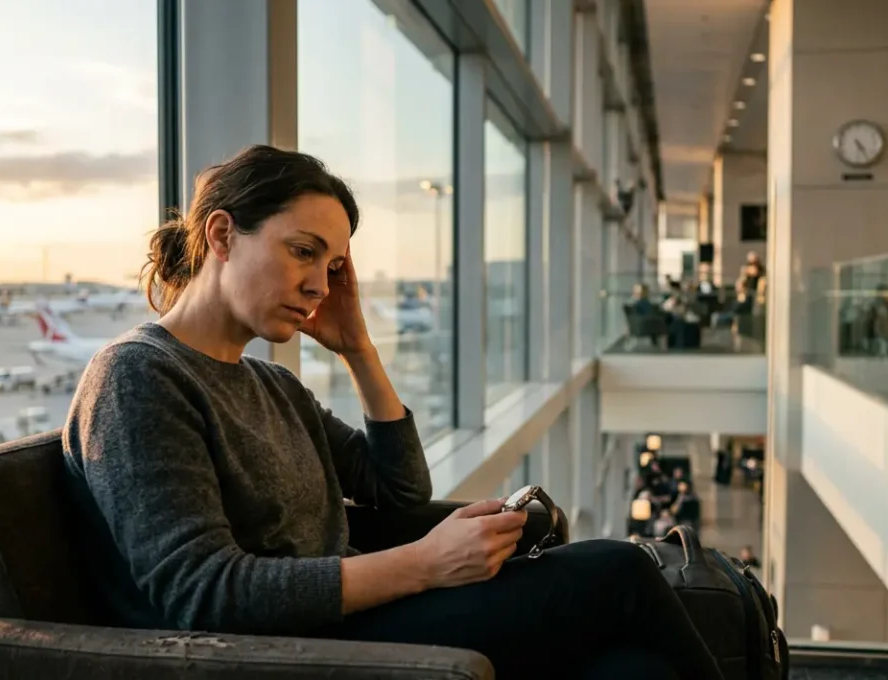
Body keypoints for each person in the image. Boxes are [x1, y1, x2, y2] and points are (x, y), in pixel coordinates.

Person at [61, 145, 723, 680]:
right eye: (303, 251)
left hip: (347, 624)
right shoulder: (137, 377)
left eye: (333, 264)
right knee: (622, 570)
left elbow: (400, 488)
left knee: (632, 668)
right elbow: (204, 594)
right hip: (287, 652)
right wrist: (427, 565)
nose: (320, 284)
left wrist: (357, 348)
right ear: (223, 235)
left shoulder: (269, 385)